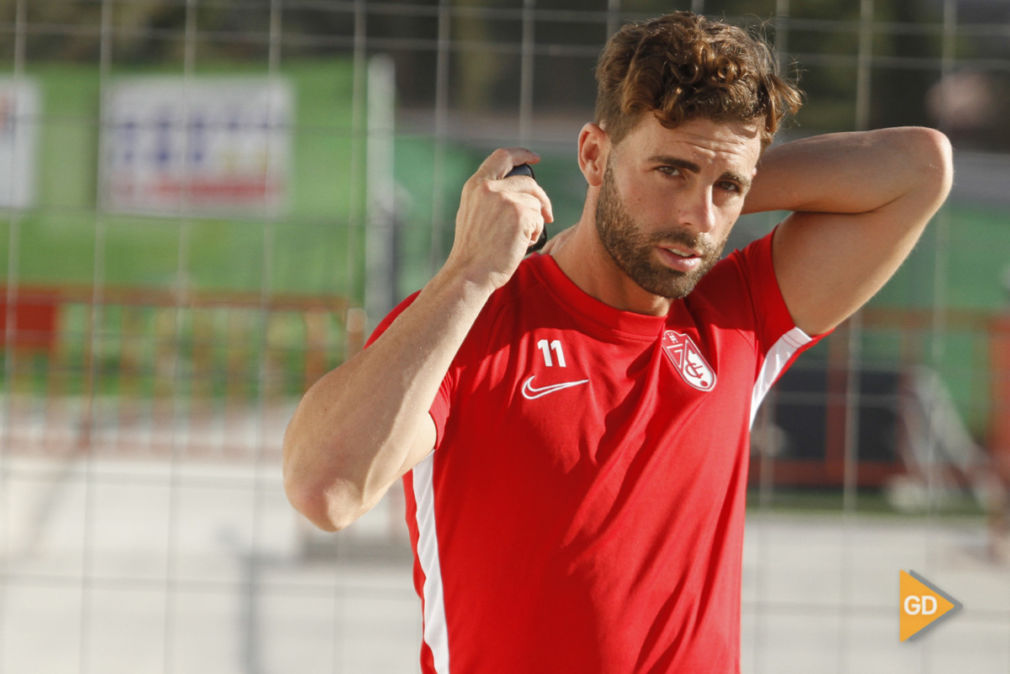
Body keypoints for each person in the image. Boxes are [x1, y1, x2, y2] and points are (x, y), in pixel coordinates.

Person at [282, 11, 952, 673]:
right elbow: (326, 490)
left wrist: (706, 185)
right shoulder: (476, 316)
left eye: (728, 187)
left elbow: (921, 166)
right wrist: (468, 271)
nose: (698, 217)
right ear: (593, 155)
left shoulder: (739, 317)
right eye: (671, 171)